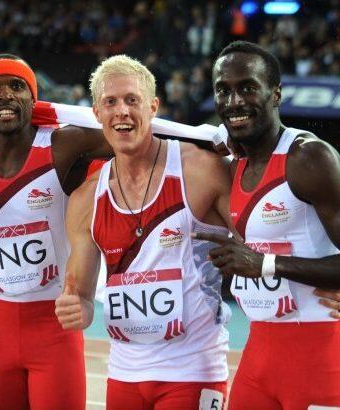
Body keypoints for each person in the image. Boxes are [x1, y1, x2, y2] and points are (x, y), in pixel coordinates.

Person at [55, 54, 235, 409]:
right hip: (124, 375)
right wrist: (78, 308)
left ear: (153, 107)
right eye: (110, 102)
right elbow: (82, 296)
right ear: (97, 113)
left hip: (194, 371)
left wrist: (316, 277)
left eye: (132, 100)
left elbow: (260, 238)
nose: (121, 111)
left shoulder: (201, 171)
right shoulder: (86, 198)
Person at [0, 54, 113, 410]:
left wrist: (201, 139)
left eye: (17, 86)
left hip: (55, 326)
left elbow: (131, 135)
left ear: (34, 99)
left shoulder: (62, 145)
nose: (5, 94)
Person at [195, 40, 340, 408]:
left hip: (321, 356)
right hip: (258, 354)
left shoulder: (309, 157)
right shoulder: (233, 163)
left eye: (247, 88)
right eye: (223, 91)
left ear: (275, 94)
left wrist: (265, 264)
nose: (234, 101)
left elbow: (262, 262)